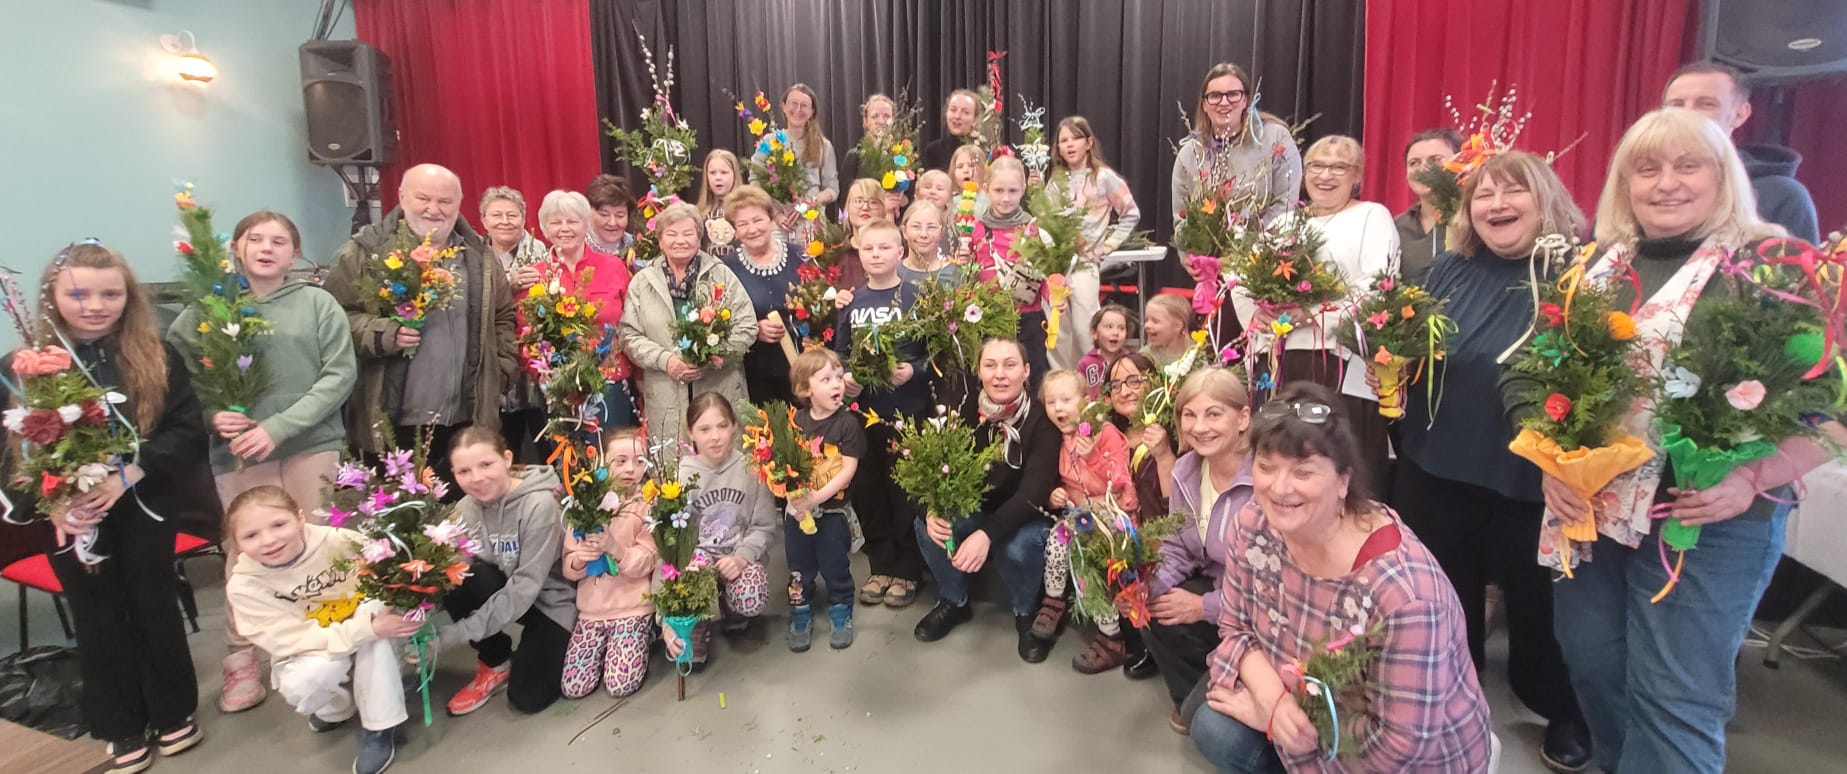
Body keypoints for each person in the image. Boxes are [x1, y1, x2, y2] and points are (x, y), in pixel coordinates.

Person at [1527, 108, 1831, 774]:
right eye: (1646, 168)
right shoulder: (1594, 265)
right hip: (1591, 515)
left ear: (1720, 177)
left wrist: (1749, 479)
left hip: (1707, 523)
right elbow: (1548, 381)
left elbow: (1827, 410)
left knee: (1673, 700)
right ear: (1622, 183)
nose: (1665, 184)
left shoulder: (1766, 267)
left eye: (1686, 165)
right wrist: (1550, 462)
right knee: (1594, 669)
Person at [1393, 150, 1594, 771]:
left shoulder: (1578, 274)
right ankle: (1457, 691)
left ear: (1547, 201)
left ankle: (1562, 707)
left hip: (1531, 482)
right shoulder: (1446, 271)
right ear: (1467, 209)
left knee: (1541, 605)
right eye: (1484, 195)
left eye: (1514, 193)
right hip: (1436, 465)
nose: (1497, 205)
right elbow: (1399, 342)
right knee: (1445, 593)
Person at [1189, 381, 1492, 772]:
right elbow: (1234, 627)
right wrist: (1274, 702)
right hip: (1304, 707)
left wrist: (1286, 725)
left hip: (1400, 761)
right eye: (1266, 467)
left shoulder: (1405, 596)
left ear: (1343, 481)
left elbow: (1396, 750)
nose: (1279, 488)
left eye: (1303, 471)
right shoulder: (1254, 525)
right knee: (1213, 724)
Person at [7, 242, 214, 772]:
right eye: (79, 293)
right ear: (53, 296)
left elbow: (188, 429)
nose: (95, 305)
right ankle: (119, 724)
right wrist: (51, 505)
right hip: (69, 518)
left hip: (143, 502)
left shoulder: (158, 355)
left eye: (110, 293)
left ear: (129, 297)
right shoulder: (21, 368)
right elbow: (12, 455)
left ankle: (172, 710)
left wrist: (132, 473)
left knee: (153, 603)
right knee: (96, 615)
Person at [169, 210, 357, 715]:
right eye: (256, 239)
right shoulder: (206, 310)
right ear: (235, 247)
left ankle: (328, 640)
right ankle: (242, 657)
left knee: (317, 542)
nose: (267, 248)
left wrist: (277, 428)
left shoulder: (317, 304)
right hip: (236, 452)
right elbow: (180, 385)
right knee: (246, 552)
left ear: (294, 254)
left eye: (280, 241)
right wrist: (212, 418)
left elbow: (338, 376)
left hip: (310, 442)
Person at [324, 163, 517, 494]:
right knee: (400, 526)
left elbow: (503, 317)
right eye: (423, 198)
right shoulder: (365, 253)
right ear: (401, 197)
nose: (434, 209)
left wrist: (500, 370)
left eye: (445, 201)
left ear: (459, 203)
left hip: (465, 419)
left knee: (461, 523)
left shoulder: (480, 258)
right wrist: (384, 333)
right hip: (391, 420)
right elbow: (334, 318)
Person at [1235, 134, 1396, 494]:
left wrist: (1313, 314)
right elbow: (1243, 276)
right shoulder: (1283, 223)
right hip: (1280, 362)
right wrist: (1256, 315)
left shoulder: (1372, 216)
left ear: (1357, 176)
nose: (1326, 175)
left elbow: (1378, 285)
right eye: (1317, 166)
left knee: (1336, 470)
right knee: (1283, 464)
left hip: (1338, 364)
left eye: (1339, 167)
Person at [222, 486, 417, 774]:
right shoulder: (244, 586)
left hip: (368, 624)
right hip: (314, 643)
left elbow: (387, 578)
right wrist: (364, 630)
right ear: (236, 545)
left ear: (299, 518)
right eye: (251, 535)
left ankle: (380, 726)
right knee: (306, 682)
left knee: (375, 621)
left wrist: (375, 625)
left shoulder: (340, 541)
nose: (269, 540)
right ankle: (336, 708)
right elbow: (293, 639)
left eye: (279, 524)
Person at [913, 338, 1062, 663]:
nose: (1000, 375)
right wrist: (931, 508)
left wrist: (986, 534)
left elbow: (1033, 493)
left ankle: (1026, 612)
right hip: (976, 506)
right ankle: (954, 602)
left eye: (1009, 365)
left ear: (1026, 371)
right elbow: (931, 468)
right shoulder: (962, 410)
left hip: (1026, 513)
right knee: (930, 527)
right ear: (979, 373)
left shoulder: (1041, 421)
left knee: (1018, 546)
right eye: (990, 365)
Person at [1138, 367, 1254, 732]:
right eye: (1189, 414)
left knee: (1215, 735)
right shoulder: (1187, 468)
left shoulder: (1265, 479)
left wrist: (1203, 607)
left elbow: (1272, 588)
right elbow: (1178, 546)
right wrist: (1144, 587)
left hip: (1258, 612)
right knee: (1152, 609)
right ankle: (1194, 695)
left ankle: (1218, 695)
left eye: (1214, 413)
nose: (1199, 426)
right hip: (1218, 587)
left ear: (1244, 417)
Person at [439, 427, 575, 716]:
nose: (477, 478)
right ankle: (495, 661)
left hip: (553, 600)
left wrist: (451, 637)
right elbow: (441, 566)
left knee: (528, 697)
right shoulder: (465, 509)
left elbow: (525, 586)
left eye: (486, 464)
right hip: (511, 591)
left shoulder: (540, 505)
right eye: (464, 471)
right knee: (456, 576)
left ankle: (575, 642)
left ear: (507, 459)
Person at [835, 219, 929, 610]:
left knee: (904, 490)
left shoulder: (915, 297)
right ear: (859, 252)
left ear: (900, 251)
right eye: (868, 249)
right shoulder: (852, 302)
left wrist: (913, 370)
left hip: (906, 412)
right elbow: (839, 352)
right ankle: (880, 565)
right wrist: (846, 377)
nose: (876, 255)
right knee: (869, 489)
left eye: (884, 248)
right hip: (862, 414)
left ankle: (907, 569)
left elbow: (936, 352)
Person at [1032, 370, 1144, 674]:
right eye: (1052, 402)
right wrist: (1057, 494)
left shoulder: (1102, 432)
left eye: (1066, 400)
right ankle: (1053, 602)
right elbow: (1067, 482)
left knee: (1088, 567)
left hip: (1110, 514)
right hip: (1079, 514)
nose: (1059, 408)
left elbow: (1120, 479)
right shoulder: (1060, 438)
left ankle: (1112, 637)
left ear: (1085, 401)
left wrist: (1093, 455)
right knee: (1056, 544)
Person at [618, 202, 757, 440]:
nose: (680, 240)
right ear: (660, 241)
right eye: (671, 234)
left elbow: (747, 327)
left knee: (721, 463)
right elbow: (629, 335)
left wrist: (713, 357)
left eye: (688, 233)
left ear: (699, 238)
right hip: (665, 394)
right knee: (674, 470)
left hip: (719, 387)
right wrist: (667, 361)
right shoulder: (643, 282)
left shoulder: (721, 274)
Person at [670, 394, 778, 664]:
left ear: (733, 426)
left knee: (751, 594)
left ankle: (733, 607)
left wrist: (741, 558)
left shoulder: (752, 468)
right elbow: (673, 537)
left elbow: (763, 526)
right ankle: (696, 623)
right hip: (699, 557)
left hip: (735, 554)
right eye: (704, 429)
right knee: (689, 573)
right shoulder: (681, 475)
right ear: (690, 432)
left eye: (721, 426)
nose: (715, 436)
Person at [515, 190, 636, 429]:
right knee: (568, 461)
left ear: (586, 225)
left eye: (572, 221)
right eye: (556, 222)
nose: (565, 228)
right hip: (558, 386)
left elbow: (633, 323)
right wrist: (543, 374)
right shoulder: (533, 275)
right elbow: (524, 334)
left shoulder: (613, 266)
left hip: (609, 381)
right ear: (545, 229)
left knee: (612, 459)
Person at [1663, 61, 1820, 242]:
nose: (1687, 114)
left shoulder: (1782, 195)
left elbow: (1798, 269)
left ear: (1740, 115)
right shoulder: (1642, 187)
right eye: (1676, 105)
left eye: (1706, 104)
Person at [559, 428, 658, 700]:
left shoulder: (648, 506)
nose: (630, 469)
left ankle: (647, 633)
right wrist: (580, 558)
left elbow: (648, 560)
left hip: (632, 608)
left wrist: (614, 548)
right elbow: (568, 565)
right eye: (621, 460)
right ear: (604, 464)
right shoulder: (585, 505)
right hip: (591, 612)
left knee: (620, 685)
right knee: (574, 687)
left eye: (640, 462)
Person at [1047, 116, 1141, 370]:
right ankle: (1063, 381)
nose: (1069, 145)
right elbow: (1046, 218)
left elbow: (1131, 213)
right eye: (1063, 140)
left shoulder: (1104, 177)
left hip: (1086, 264)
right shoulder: (1057, 180)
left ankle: (1093, 375)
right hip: (1058, 264)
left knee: (1084, 325)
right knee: (1059, 328)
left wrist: (1106, 246)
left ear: (1089, 142)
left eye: (1075, 138)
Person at [787, 352, 867, 650]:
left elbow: (848, 470)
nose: (837, 384)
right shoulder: (795, 421)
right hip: (797, 513)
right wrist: (794, 499)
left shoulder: (847, 425)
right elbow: (780, 464)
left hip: (834, 511)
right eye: (826, 379)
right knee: (798, 565)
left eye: (838, 376)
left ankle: (840, 607)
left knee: (835, 563)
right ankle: (800, 609)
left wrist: (816, 498)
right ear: (806, 390)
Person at [1171, 63, 1303, 221]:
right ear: (1204, 105)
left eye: (1233, 94)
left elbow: (1286, 206)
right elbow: (1182, 221)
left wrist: (1251, 241)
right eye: (1215, 96)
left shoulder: (1275, 138)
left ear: (1245, 101)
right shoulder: (1189, 154)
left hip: (1264, 243)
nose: (1224, 102)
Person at [479, 187, 549, 462]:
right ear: (483, 220)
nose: (505, 221)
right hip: (494, 357)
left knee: (542, 443)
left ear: (523, 217)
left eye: (512, 214)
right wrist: (509, 285)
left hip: (534, 360)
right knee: (502, 445)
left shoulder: (541, 252)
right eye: (497, 215)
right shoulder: (476, 255)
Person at [721, 184, 804, 405]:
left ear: (771, 219)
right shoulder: (726, 269)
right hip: (754, 375)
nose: (752, 229)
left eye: (757, 220)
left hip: (804, 370)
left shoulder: (801, 257)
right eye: (743, 224)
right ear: (735, 231)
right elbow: (720, 322)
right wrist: (754, 330)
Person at [972, 157, 1050, 389]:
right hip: (989, 316)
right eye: (998, 190)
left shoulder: (1034, 229)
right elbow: (967, 273)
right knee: (992, 381)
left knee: (1033, 378)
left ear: (1023, 189)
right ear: (986, 189)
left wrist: (1054, 296)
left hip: (1029, 317)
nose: (1006, 198)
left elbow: (1046, 273)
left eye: (1013, 191)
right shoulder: (976, 229)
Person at [756, 83, 839, 232]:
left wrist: (811, 202)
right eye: (793, 104)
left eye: (804, 105)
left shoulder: (823, 145)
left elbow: (833, 189)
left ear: (812, 111)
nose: (798, 110)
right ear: (784, 106)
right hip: (776, 224)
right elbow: (755, 184)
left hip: (811, 223)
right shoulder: (768, 142)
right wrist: (776, 215)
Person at [1392, 128, 1464, 283]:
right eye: (1414, 163)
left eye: (1435, 159)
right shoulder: (1395, 226)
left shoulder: (1474, 219)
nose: (1424, 168)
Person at [840, 93, 898, 193]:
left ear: (893, 121)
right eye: (875, 116)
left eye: (887, 116)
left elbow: (911, 197)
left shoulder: (902, 157)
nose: (881, 121)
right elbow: (844, 200)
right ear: (865, 122)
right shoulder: (854, 157)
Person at [897, 199, 959, 285]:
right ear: (904, 232)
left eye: (931, 227)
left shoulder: (956, 276)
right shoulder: (891, 274)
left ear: (941, 232)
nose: (923, 234)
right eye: (916, 227)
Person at [1077, 304, 1132, 399]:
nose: (1115, 333)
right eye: (1109, 327)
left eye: (1121, 328)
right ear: (1094, 333)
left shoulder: (1130, 361)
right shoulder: (1085, 363)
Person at [697, 150, 744, 258]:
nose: (718, 177)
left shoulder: (744, 209)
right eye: (713, 173)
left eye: (724, 172)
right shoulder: (699, 213)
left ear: (734, 175)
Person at [923, 88, 980, 171]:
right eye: (953, 110)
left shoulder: (983, 150)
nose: (957, 116)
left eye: (965, 112)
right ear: (946, 113)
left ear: (975, 119)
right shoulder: (933, 151)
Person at [586, 173, 638, 260]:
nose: (612, 223)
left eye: (620, 215)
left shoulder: (636, 245)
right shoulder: (578, 249)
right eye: (604, 215)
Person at [1141, 293, 1194, 368]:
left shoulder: (1196, 355)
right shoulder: (1145, 356)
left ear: (1178, 326)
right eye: (1147, 320)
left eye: (1155, 321)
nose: (1147, 325)